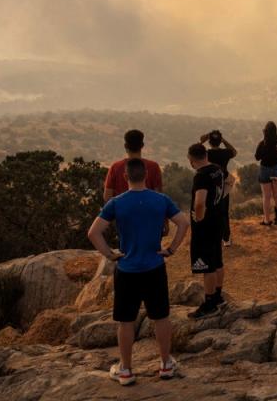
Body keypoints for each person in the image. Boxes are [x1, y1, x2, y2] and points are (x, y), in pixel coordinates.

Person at [87, 158, 190, 386]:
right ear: (146, 176)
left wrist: (110, 254)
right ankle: (165, 364)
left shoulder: (116, 202)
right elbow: (183, 223)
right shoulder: (160, 200)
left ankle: (125, 370)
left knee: (125, 321)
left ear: (125, 177)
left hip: (127, 269)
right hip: (154, 267)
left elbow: (93, 233)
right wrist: (171, 249)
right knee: (161, 317)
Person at [186, 143, 227, 318]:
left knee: (207, 265)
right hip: (218, 221)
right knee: (217, 259)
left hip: (205, 226)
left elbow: (200, 201)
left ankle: (209, 303)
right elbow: (229, 182)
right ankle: (217, 296)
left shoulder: (201, 176)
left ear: (192, 159)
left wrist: (199, 218)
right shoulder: (216, 169)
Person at [104, 129, 164, 200]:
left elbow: (107, 197)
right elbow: (159, 197)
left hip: (122, 210)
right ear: (142, 145)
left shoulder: (115, 167)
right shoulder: (154, 167)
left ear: (125, 146)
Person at [203, 130, 237, 247]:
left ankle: (211, 237)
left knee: (210, 211)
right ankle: (226, 238)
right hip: (223, 184)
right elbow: (234, 151)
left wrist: (203, 140)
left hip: (210, 184)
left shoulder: (206, 154)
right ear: (219, 141)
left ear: (210, 141)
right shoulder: (225, 153)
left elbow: (195, 152)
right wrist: (224, 141)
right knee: (223, 212)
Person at [255, 121, 277, 226]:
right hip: (276, 168)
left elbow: (257, 157)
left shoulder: (262, 143)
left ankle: (266, 220)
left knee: (266, 197)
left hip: (264, 169)